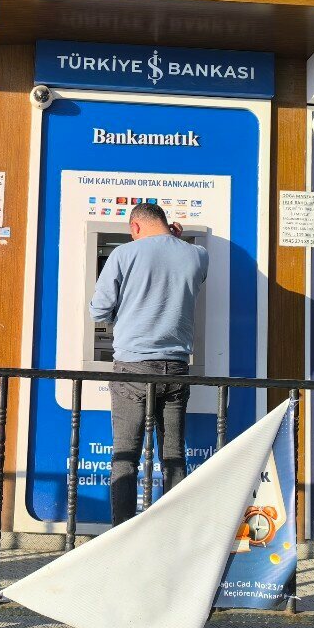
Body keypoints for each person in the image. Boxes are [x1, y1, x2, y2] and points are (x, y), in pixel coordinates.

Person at [89, 202, 209, 526]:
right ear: (166, 224)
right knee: (173, 456)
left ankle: (123, 533)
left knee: (125, 457)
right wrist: (175, 243)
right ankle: (171, 533)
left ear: (136, 228)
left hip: (132, 369)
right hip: (177, 368)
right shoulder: (197, 255)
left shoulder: (123, 255)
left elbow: (99, 311)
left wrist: (126, 316)